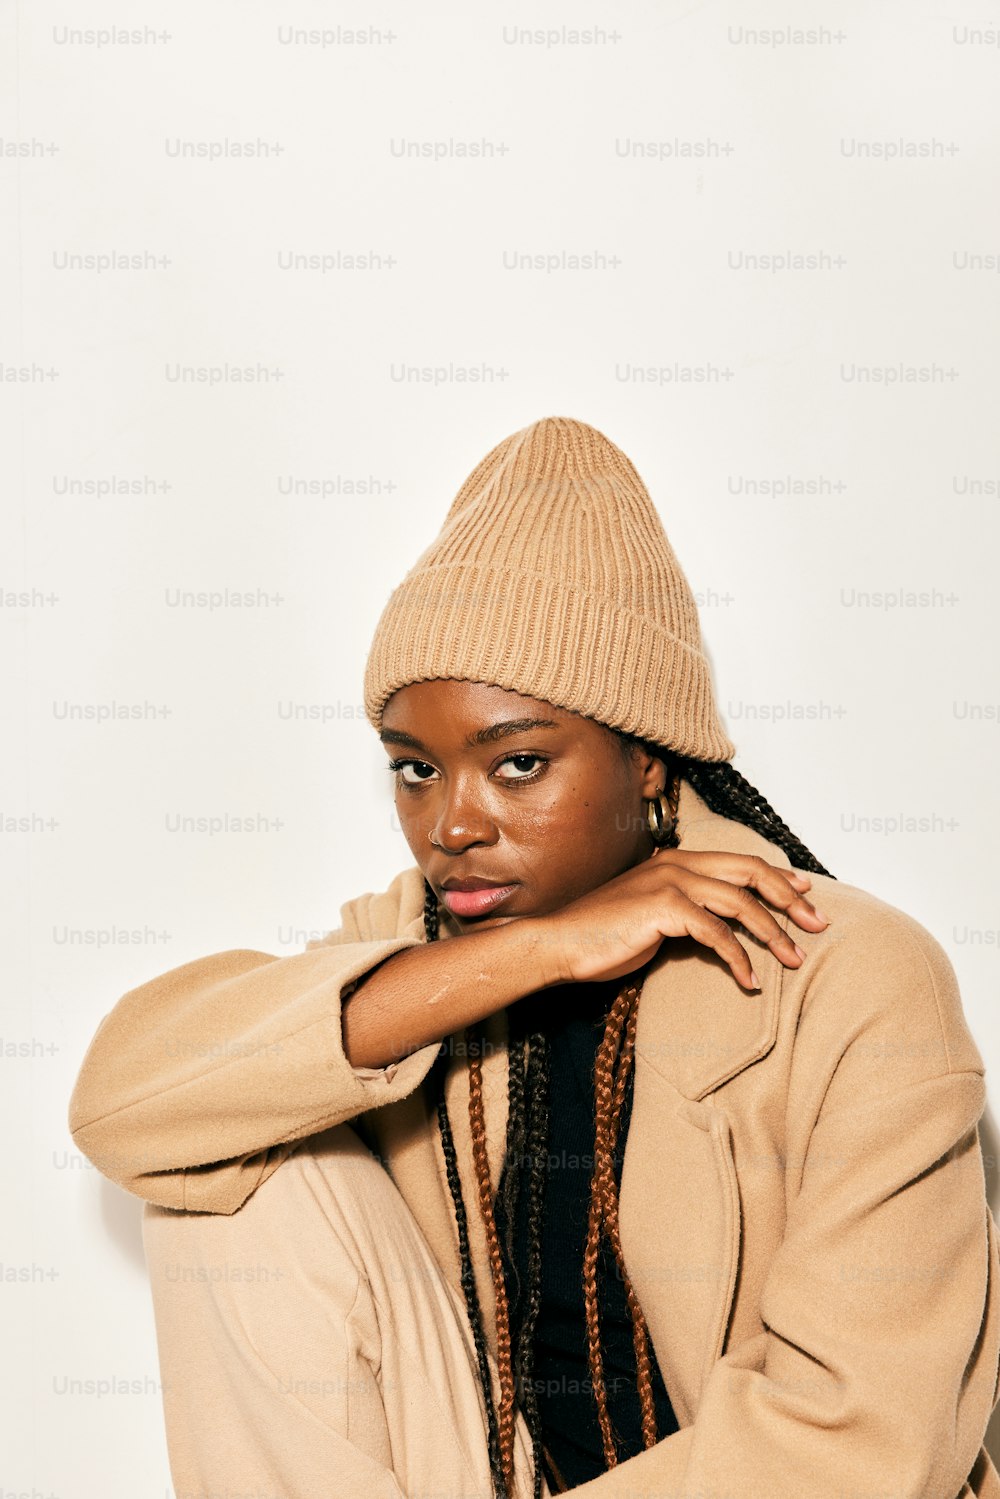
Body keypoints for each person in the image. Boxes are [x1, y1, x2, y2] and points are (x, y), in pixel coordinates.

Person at [68, 416, 1000, 1499]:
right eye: (415, 769)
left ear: (647, 760)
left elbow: (861, 1438)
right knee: (231, 1163)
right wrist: (539, 951)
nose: (451, 823)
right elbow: (124, 1106)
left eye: (517, 764)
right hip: (485, 1472)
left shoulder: (846, 973)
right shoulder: (414, 947)